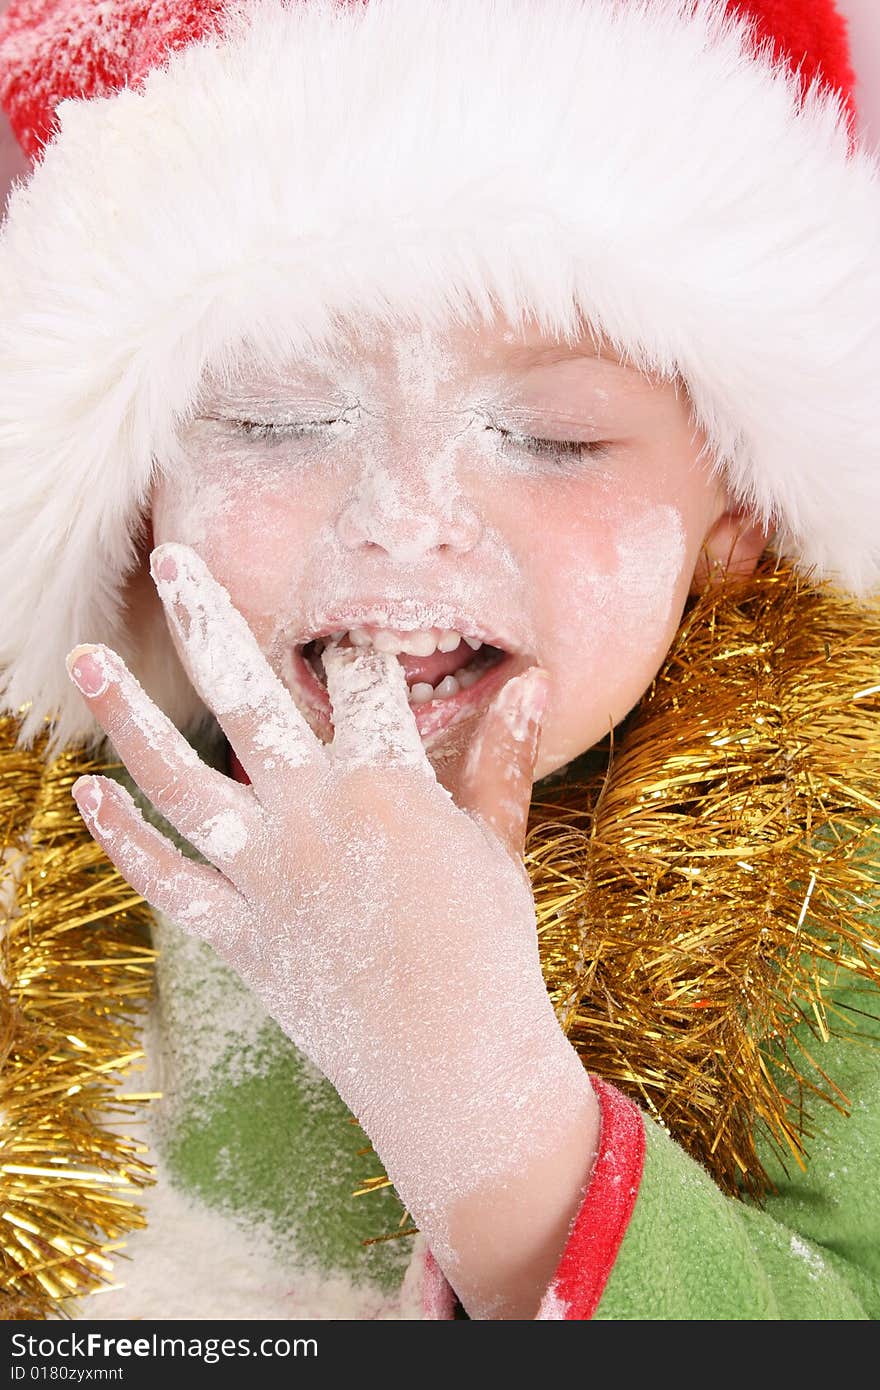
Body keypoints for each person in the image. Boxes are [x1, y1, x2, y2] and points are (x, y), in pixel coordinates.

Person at [0, 0, 878, 1321]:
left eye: (555, 435)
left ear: (737, 513)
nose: (405, 516)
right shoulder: (38, 856)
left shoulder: (833, 877)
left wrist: (487, 1117)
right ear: (135, 487)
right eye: (276, 418)